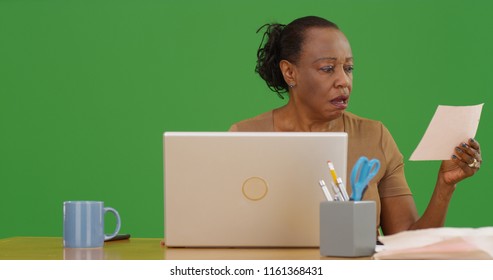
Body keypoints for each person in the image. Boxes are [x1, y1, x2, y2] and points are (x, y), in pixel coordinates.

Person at [229, 16, 482, 235]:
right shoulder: (245, 137)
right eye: (328, 68)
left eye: (348, 68)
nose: (343, 81)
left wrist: (445, 186)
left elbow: (408, 245)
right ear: (290, 72)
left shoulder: (375, 136)